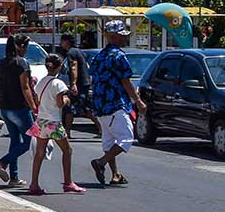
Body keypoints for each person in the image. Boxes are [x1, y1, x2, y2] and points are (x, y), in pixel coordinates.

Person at [88, 21, 145, 187]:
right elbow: (125, 81)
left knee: (109, 141)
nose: (124, 39)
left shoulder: (98, 56)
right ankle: (101, 162)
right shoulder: (119, 56)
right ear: (113, 37)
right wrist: (138, 101)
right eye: (122, 36)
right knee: (127, 138)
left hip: (100, 105)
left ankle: (115, 174)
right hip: (115, 104)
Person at [28, 54, 86, 195]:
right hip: (53, 122)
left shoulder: (41, 82)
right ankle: (68, 182)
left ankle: (34, 183)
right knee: (67, 150)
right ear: (59, 66)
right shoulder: (58, 83)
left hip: (41, 121)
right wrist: (67, 100)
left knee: (39, 153)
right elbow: (60, 103)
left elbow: (37, 101)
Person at [0, 35, 36, 188]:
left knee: (15, 141)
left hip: (4, 108)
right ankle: (2, 162)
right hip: (20, 108)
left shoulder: (2, 63)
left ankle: (14, 177)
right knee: (28, 142)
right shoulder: (21, 63)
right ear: (21, 46)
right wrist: (34, 107)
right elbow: (25, 88)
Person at [60, 33, 101, 139]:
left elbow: (74, 67)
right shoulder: (79, 52)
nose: (61, 43)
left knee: (72, 108)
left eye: (62, 41)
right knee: (85, 109)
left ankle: (67, 132)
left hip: (79, 84)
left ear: (67, 41)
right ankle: (101, 129)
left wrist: (73, 84)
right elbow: (87, 67)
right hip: (85, 83)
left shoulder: (71, 52)